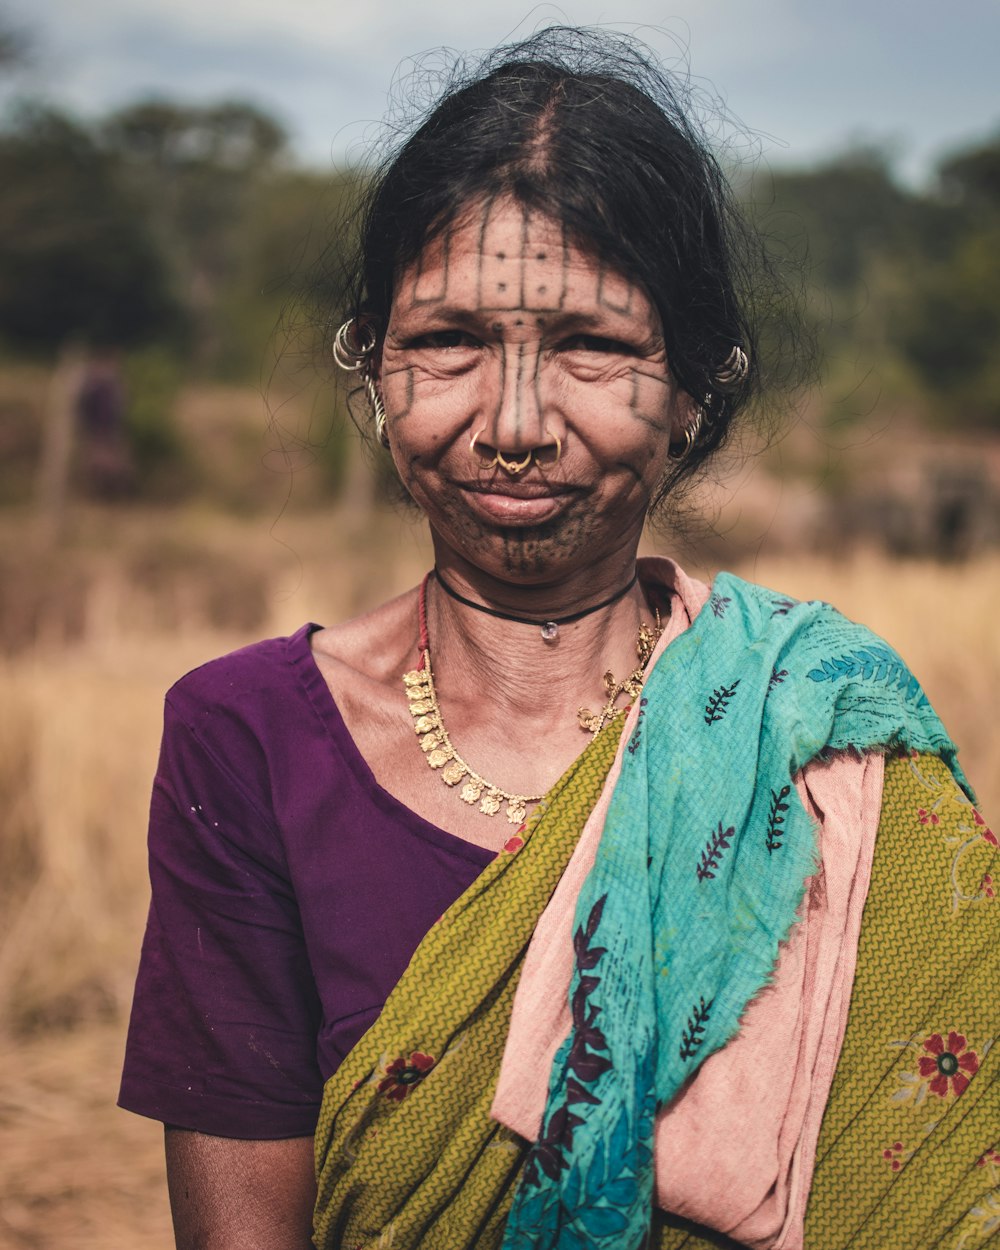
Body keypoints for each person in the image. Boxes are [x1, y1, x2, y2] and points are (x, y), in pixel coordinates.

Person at [118, 28, 998, 1250]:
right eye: (448, 341)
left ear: (693, 385)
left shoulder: (817, 728)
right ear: (374, 366)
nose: (515, 425)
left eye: (592, 345)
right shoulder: (247, 736)